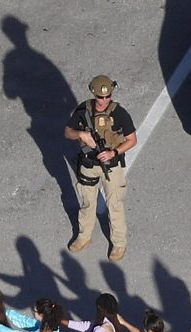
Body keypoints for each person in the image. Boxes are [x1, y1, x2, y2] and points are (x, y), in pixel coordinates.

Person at [64, 74, 137, 262]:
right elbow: (68, 132)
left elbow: (132, 140)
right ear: (93, 94)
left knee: (115, 205)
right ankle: (84, 236)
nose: (104, 100)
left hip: (111, 167)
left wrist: (114, 152)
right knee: (87, 202)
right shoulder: (83, 110)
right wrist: (81, 134)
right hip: (88, 164)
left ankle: (119, 243)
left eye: (108, 96)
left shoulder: (119, 113)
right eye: (100, 97)